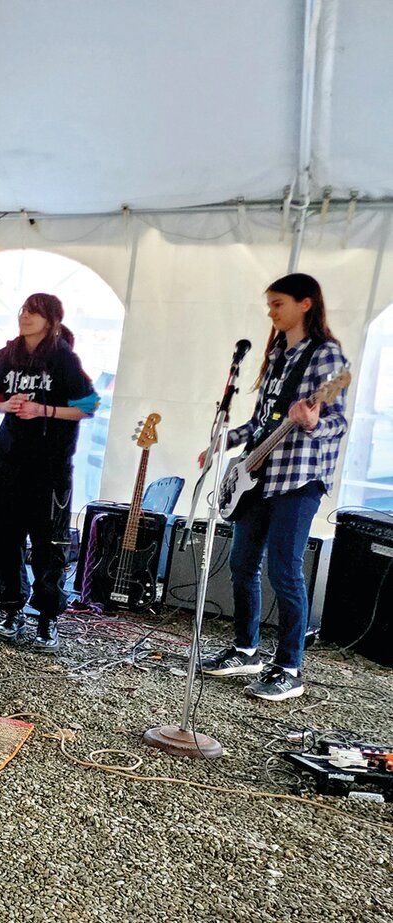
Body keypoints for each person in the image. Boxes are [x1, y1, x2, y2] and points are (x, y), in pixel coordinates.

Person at [201, 273, 349, 702]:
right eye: (269, 305)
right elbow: (261, 421)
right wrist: (221, 442)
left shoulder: (327, 358)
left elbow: (338, 422)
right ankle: (245, 649)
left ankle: (290, 668)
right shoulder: (278, 354)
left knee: (285, 571)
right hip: (258, 476)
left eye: (278, 303)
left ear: (305, 304)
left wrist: (315, 420)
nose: (271, 312)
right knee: (243, 565)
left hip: (300, 479)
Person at [0, 293, 99, 651]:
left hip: (49, 468)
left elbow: (88, 406)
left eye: (34, 312)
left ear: (50, 320)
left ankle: (48, 617)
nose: (25, 317)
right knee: (5, 539)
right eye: (22, 310)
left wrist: (42, 410)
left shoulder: (64, 359)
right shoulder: (5, 356)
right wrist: (9, 404)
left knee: (49, 544)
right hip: (8, 461)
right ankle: (10, 609)